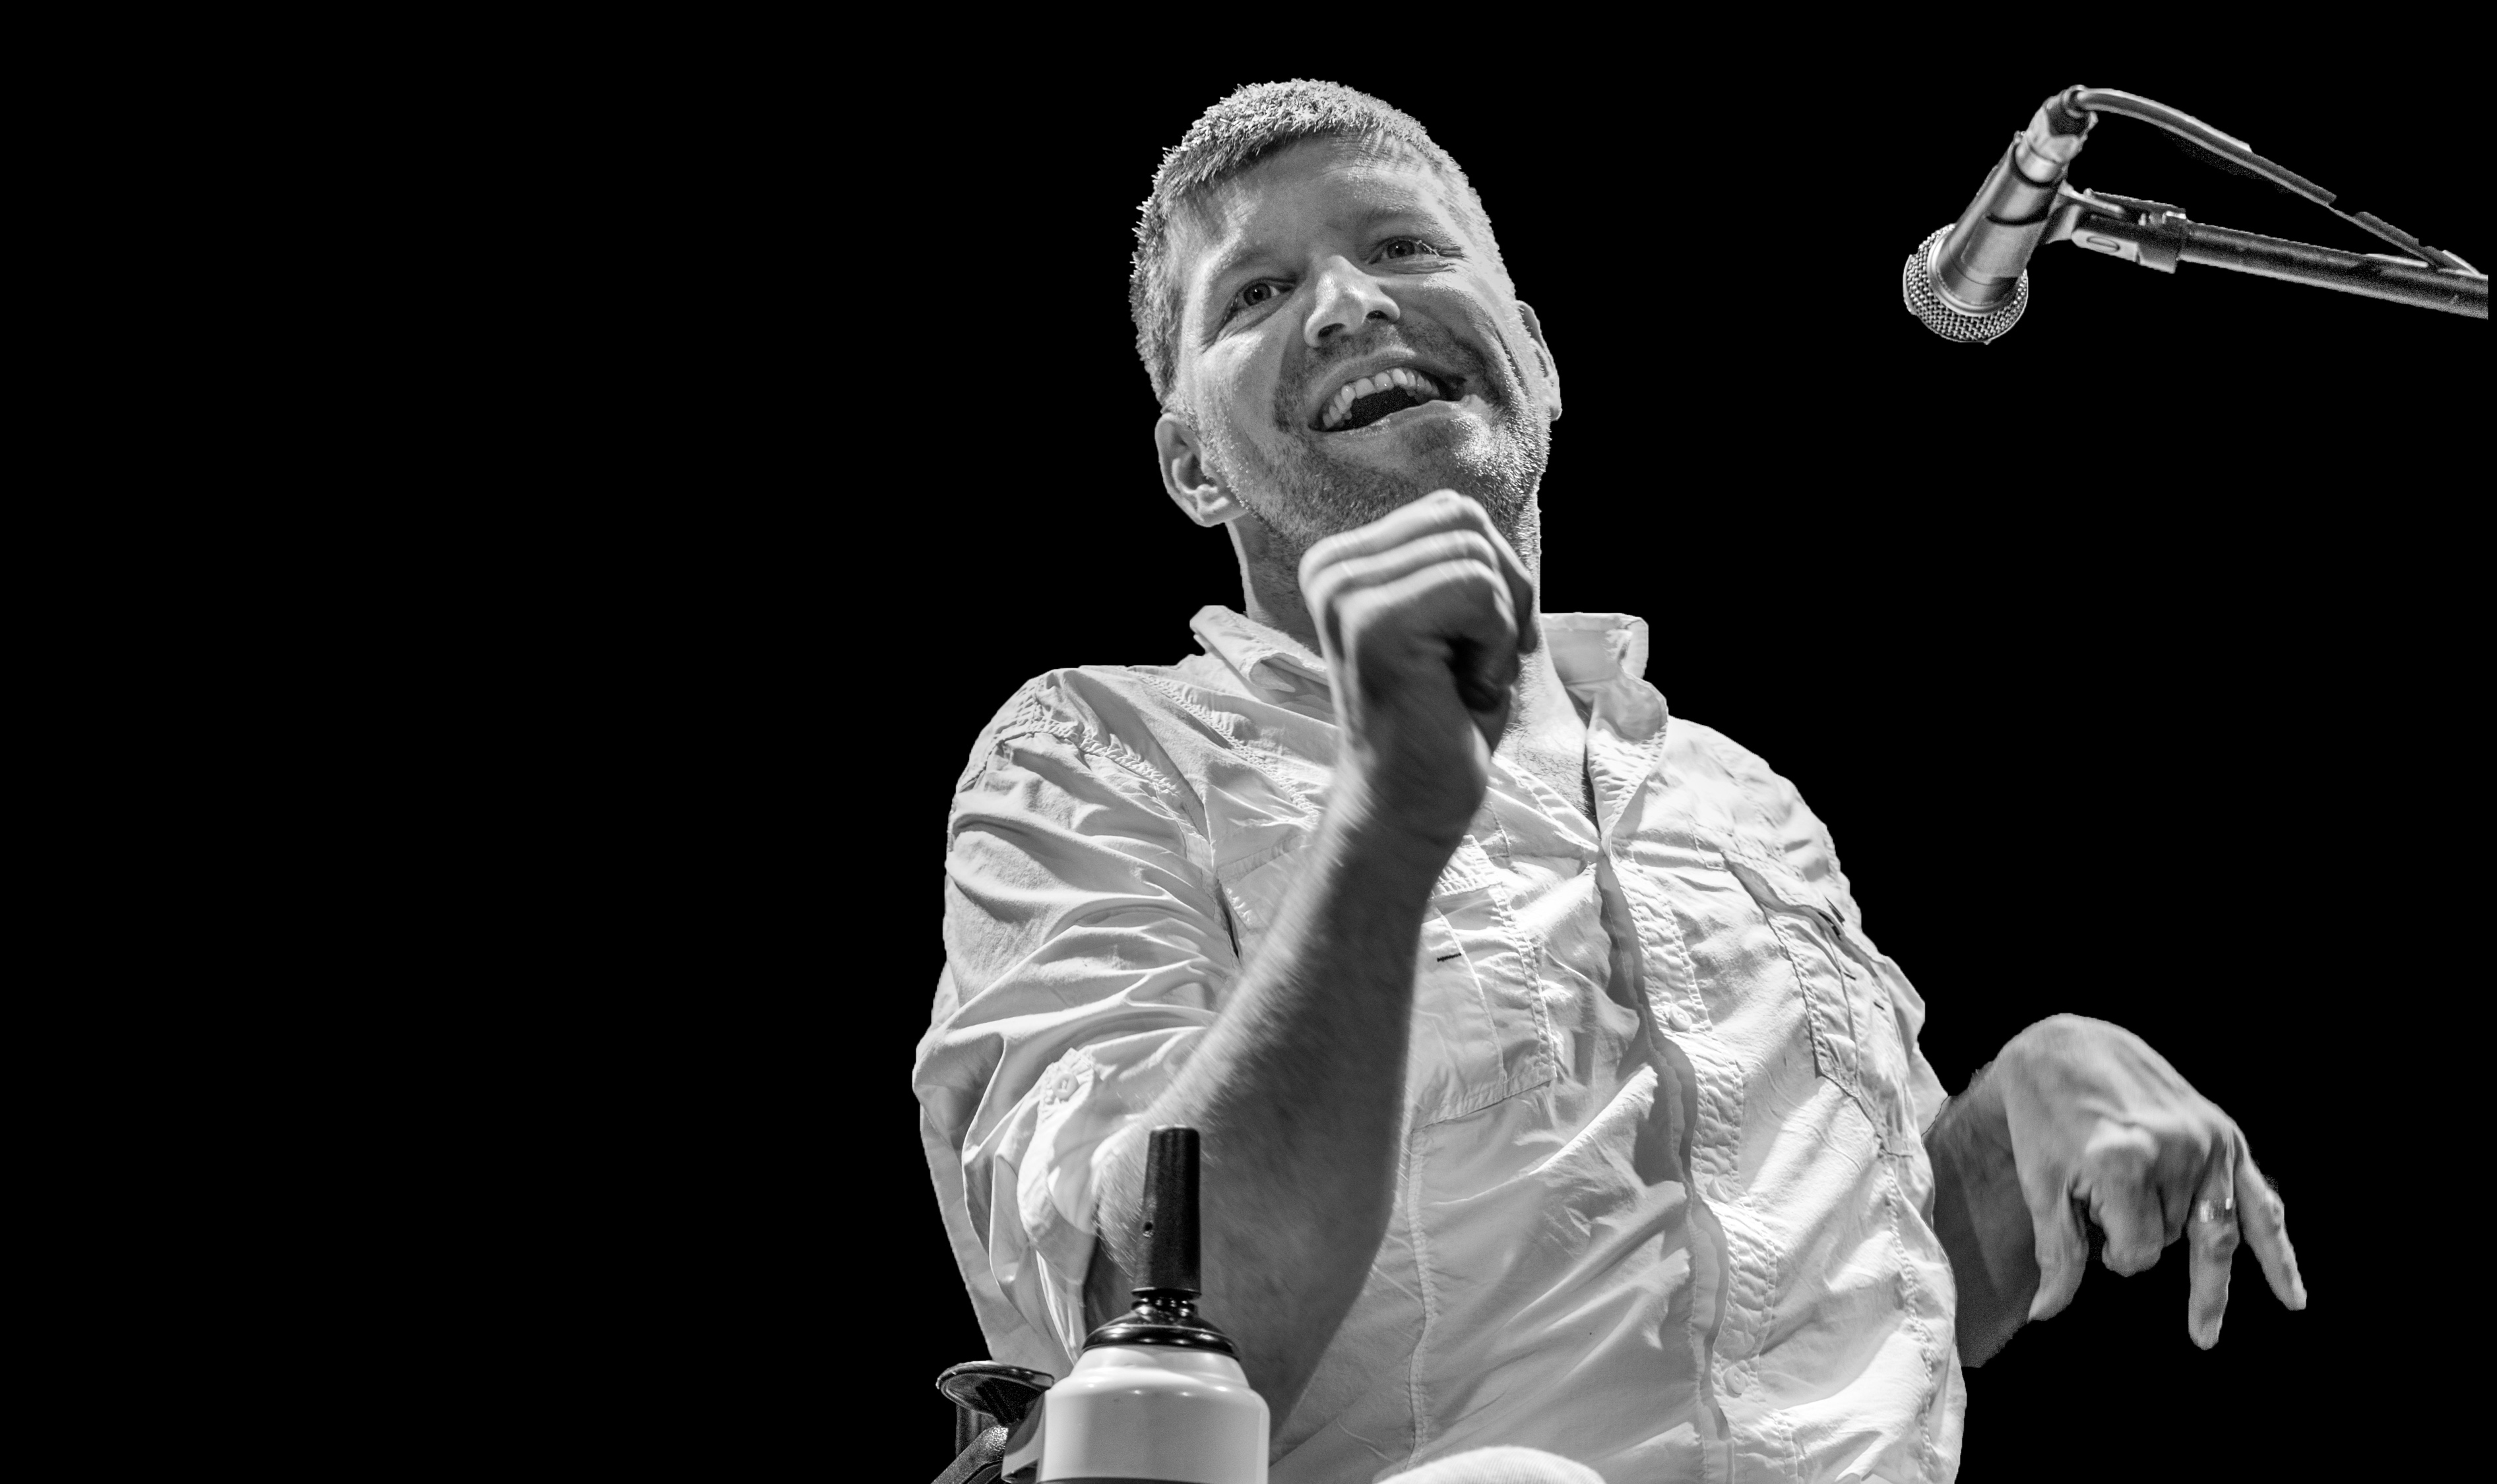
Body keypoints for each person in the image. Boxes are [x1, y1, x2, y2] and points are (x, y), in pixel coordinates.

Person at [910, 80, 2308, 1483]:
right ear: (1190, 467)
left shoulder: (1733, 795)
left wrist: (2010, 1125)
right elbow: (1160, 1335)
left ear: (1534, 354)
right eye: (1256, 292)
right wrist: (1384, 823)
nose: (1347, 303)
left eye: (1402, 247)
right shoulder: (1097, 756)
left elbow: (1854, 1291)